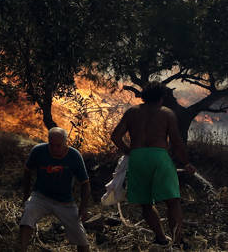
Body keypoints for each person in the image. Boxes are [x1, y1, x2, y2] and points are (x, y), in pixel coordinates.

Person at [111, 82, 195, 248]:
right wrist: (186, 162)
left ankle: (161, 239)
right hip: (159, 157)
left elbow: (115, 136)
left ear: (144, 96)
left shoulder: (132, 112)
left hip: (137, 158)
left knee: (146, 203)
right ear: (162, 97)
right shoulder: (167, 113)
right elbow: (177, 142)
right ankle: (177, 242)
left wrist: (129, 152)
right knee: (173, 201)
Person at [19, 127, 91, 252]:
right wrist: (26, 195)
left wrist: (83, 207)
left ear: (65, 143)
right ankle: (21, 249)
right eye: (52, 145)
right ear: (48, 141)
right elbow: (27, 171)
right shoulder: (38, 151)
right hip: (40, 196)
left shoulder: (74, 156)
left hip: (65, 202)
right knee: (27, 216)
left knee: (82, 239)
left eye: (59, 145)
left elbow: (85, 183)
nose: (55, 149)